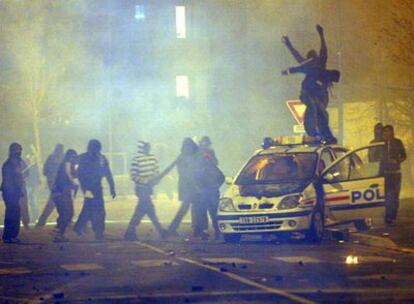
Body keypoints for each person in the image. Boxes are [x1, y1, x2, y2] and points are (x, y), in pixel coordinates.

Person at [282, 24, 339, 144]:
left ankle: (326, 135)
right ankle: (312, 132)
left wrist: (322, 35)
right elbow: (297, 57)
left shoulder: (321, 64)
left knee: (322, 113)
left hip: (320, 96)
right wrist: (289, 45)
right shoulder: (308, 66)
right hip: (308, 93)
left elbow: (324, 50)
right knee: (313, 106)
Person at [73, 139, 116, 240]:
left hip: (95, 188)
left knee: (91, 208)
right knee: (95, 209)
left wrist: (112, 187)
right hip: (89, 189)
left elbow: (107, 173)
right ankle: (97, 231)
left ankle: (84, 227)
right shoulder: (84, 158)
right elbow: (79, 173)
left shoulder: (98, 158)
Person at [124, 141, 167, 241]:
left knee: (146, 209)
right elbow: (134, 175)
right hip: (141, 188)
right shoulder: (136, 159)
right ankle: (160, 230)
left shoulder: (153, 158)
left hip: (148, 188)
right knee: (147, 209)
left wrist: (155, 180)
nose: (148, 148)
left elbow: (156, 171)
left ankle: (130, 231)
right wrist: (145, 181)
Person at [168, 138, 202, 237]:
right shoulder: (184, 157)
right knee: (190, 207)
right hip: (188, 186)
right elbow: (184, 173)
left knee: (189, 207)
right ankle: (196, 229)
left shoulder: (185, 156)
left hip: (189, 185)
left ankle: (174, 227)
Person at [1, 143, 26, 243]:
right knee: (12, 214)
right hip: (10, 192)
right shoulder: (8, 165)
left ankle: (12, 236)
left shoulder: (16, 163)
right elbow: (9, 180)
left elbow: (24, 173)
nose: (19, 153)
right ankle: (9, 236)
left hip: (14, 192)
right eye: (17, 150)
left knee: (15, 213)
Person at [381, 125, 406, 226]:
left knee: (395, 195)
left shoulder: (397, 142)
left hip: (395, 173)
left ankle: (393, 216)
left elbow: (404, 156)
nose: (386, 133)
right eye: (385, 132)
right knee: (386, 196)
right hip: (385, 174)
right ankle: (387, 216)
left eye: (388, 131)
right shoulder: (381, 144)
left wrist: (397, 161)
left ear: (392, 132)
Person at [52, 149, 78, 242]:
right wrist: (74, 184)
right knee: (66, 213)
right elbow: (69, 176)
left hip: (63, 193)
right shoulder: (66, 164)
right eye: (73, 157)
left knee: (68, 213)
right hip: (61, 193)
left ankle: (60, 231)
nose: (74, 159)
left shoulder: (69, 165)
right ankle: (59, 233)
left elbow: (73, 175)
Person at [198, 149, 225, 240]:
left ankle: (214, 231)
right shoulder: (212, 167)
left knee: (210, 212)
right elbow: (222, 178)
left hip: (208, 192)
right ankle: (214, 231)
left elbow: (221, 177)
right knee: (208, 212)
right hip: (209, 192)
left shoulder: (210, 167)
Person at [36, 144, 64, 227]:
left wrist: (49, 178)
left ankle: (42, 221)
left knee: (57, 202)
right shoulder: (62, 159)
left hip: (53, 184)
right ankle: (42, 221)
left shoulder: (51, 158)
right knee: (54, 202)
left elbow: (45, 171)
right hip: (59, 184)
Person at [25, 154, 41, 224]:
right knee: (27, 203)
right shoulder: (27, 166)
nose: (33, 159)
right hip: (28, 186)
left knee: (34, 203)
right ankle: (26, 218)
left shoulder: (35, 167)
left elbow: (37, 177)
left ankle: (34, 218)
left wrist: (38, 183)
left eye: (34, 158)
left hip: (33, 187)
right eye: (32, 158)